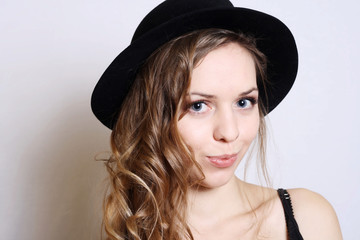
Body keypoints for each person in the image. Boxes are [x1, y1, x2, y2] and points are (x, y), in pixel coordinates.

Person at [91, 0, 342, 239]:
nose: (230, 132)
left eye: (244, 102)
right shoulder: (131, 231)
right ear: (151, 118)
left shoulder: (308, 219)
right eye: (199, 106)